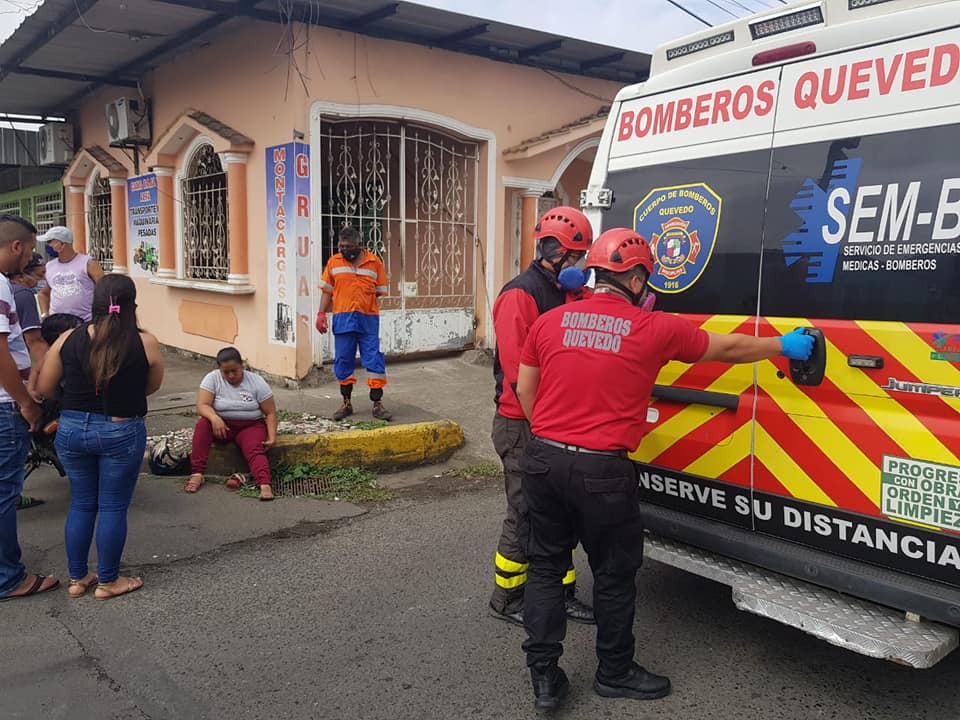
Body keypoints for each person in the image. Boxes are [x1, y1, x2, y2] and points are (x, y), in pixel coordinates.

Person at [514, 228, 815, 711]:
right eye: (645, 278)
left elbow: (525, 391)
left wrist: (556, 437)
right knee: (613, 574)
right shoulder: (653, 328)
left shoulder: (550, 321)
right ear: (633, 277)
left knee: (546, 568)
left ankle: (545, 678)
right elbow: (730, 349)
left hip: (544, 459)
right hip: (603, 471)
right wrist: (784, 346)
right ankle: (614, 672)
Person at [488, 206, 596, 628]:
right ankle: (508, 598)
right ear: (556, 253)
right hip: (523, 422)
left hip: (556, 420)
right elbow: (519, 378)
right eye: (578, 256)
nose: (582, 266)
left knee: (560, 510)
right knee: (526, 511)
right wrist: (546, 428)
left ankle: (560, 591)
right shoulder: (521, 295)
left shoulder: (568, 293)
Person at [38, 274, 164, 600]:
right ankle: (109, 581)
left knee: (81, 504)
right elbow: (151, 386)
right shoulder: (145, 341)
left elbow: (44, 388)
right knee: (112, 507)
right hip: (121, 429)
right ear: (131, 305)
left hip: (72, 429)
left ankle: (78, 579)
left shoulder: (68, 338)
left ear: (95, 302)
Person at [0, 213, 58, 601]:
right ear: (17, 246)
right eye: (31, 251)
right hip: (5, 404)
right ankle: (8, 578)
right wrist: (25, 401)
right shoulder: (1, 285)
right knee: (5, 491)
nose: (31, 262)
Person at [315, 226, 393, 421]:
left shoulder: (374, 263)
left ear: (359, 245)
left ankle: (377, 403)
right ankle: (346, 403)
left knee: (374, 360)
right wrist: (321, 314)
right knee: (343, 361)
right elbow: (327, 291)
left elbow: (379, 291)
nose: (344, 249)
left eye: (348, 246)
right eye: (341, 246)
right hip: (343, 319)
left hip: (368, 320)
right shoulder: (334, 262)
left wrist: (362, 300)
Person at [184, 347, 278, 502]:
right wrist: (214, 418)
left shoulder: (257, 382)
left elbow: (270, 413)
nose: (231, 376)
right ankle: (197, 474)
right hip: (221, 426)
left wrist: (272, 436)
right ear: (219, 369)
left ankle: (264, 484)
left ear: (242, 365)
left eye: (235, 370)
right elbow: (202, 405)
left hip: (250, 426)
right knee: (202, 425)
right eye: (226, 372)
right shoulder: (212, 379)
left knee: (254, 449)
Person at [38, 226, 104, 322]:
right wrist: (45, 315)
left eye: (49, 242)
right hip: (58, 324)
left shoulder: (88, 263)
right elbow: (43, 293)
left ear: (62, 244)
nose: (47, 246)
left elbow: (105, 289)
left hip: (85, 322)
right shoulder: (49, 266)